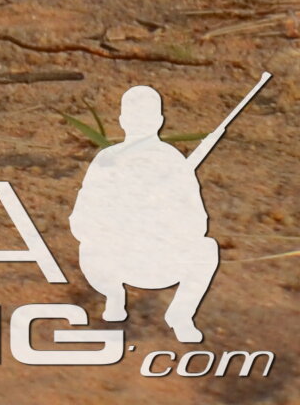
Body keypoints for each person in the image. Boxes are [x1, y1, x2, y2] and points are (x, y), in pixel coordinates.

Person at [74, 78, 253, 345]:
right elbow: (82, 219)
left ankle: (180, 314)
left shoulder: (172, 162)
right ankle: (114, 296)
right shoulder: (108, 161)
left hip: (162, 259)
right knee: (89, 247)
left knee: (206, 248)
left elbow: (197, 223)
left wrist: (160, 217)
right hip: (117, 258)